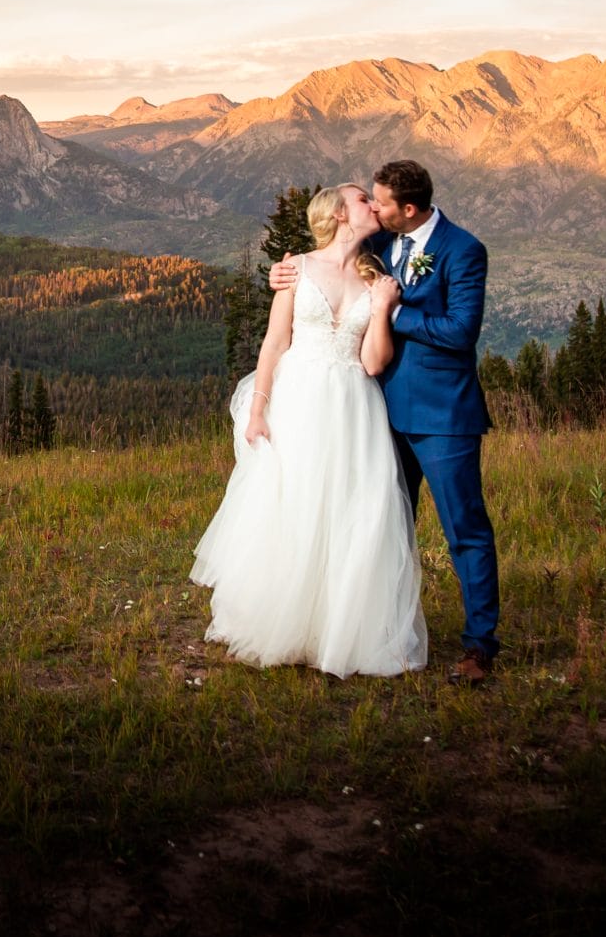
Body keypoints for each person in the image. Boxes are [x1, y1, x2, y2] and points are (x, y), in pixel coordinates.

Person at [269, 160, 499, 684]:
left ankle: (480, 646)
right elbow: (327, 270)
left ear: (407, 209)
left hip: (442, 416)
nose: (373, 208)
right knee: (379, 528)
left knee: (464, 529)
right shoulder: (383, 249)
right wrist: (278, 274)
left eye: (381, 203)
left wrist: (393, 313)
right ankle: (377, 630)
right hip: (375, 415)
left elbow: (462, 330)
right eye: (368, 202)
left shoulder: (463, 250)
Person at [189, 184, 428, 678]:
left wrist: (382, 308)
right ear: (340, 212)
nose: (372, 205)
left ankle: (339, 629)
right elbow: (275, 343)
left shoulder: (375, 277)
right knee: (293, 501)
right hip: (299, 398)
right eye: (363, 199)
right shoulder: (297, 269)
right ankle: (284, 619)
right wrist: (258, 409)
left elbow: (371, 362)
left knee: (351, 508)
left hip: (352, 403)